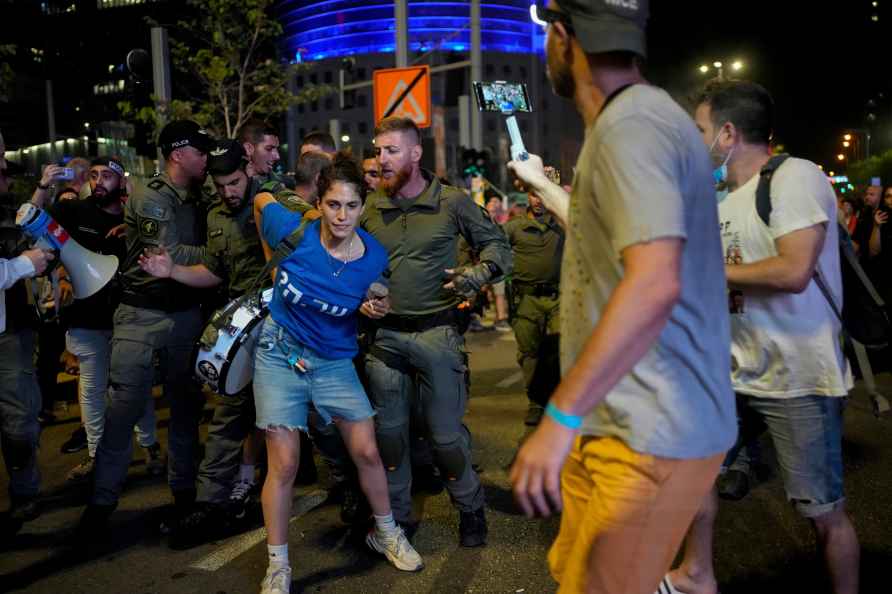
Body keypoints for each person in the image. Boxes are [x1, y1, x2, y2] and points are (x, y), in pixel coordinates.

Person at [507, 2, 736, 592]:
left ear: (563, 36)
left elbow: (655, 280)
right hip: (620, 424)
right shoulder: (637, 121)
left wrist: (559, 416)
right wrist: (540, 184)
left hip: (651, 434)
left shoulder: (630, 129)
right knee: (572, 573)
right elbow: (606, 240)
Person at [674, 79, 859, 594]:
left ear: (727, 134)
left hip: (798, 376)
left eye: (700, 131)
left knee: (822, 513)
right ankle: (696, 575)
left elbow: (793, 270)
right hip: (733, 372)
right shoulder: (722, 200)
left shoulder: (794, 177)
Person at [251, 153, 423, 593]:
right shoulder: (291, 229)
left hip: (332, 359)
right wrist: (273, 256)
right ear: (319, 203)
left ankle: (385, 532)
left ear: (362, 206)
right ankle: (278, 564)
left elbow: (377, 289)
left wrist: (377, 302)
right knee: (285, 462)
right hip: (279, 353)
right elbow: (261, 199)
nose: (341, 216)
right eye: (332, 205)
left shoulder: (372, 256)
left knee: (366, 450)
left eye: (350, 206)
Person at [139, 139, 314, 548]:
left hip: (287, 326)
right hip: (243, 331)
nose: (227, 193)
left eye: (233, 182)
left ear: (250, 170)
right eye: (219, 186)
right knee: (228, 415)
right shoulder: (217, 213)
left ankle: (355, 495)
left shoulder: (276, 200)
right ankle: (210, 504)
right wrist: (172, 271)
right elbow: (215, 272)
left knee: (319, 414)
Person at [361, 116, 512, 547]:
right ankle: (398, 521)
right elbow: (346, 261)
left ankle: (470, 508)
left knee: (445, 437)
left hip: (437, 335)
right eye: (378, 151)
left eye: (391, 151)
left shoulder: (452, 202)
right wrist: (360, 298)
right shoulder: (370, 208)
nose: (382, 159)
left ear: (414, 153)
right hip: (385, 340)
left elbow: (498, 246)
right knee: (390, 439)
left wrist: (476, 275)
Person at [76, 120, 213, 534]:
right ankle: (101, 504)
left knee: (186, 410)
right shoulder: (152, 197)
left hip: (186, 313)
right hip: (142, 314)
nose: (206, 157)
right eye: (199, 150)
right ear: (177, 154)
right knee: (124, 410)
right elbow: (165, 253)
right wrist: (221, 252)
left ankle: (184, 495)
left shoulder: (199, 193)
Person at [33, 157, 163, 483]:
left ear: (121, 182)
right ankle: (95, 455)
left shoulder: (134, 216)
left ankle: (149, 446)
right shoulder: (75, 211)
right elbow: (39, 231)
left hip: (126, 316)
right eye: (94, 175)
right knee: (91, 389)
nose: (99, 181)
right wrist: (59, 270)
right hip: (86, 317)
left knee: (135, 384)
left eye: (107, 175)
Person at [0, 129, 54, 534]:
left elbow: (21, 235)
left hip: (12, 331)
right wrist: (23, 265)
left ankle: (24, 493)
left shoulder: (3, 209)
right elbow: (19, 259)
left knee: (19, 419)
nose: (4, 176)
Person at [502, 189, 564, 427]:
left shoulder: (563, 224)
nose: (538, 199)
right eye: (533, 194)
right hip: (526, 300)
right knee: (529, 353)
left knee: (560, 349)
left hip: (559, 297)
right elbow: (491, 245)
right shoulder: (514, 227)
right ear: (527, 196)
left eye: (542, 193)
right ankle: (537, 402)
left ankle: (558, 400)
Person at [239, 120, 294, 190]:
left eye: (277, 149)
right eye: (269, 149)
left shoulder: (287, 184)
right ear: (248, 148)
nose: (277, 156)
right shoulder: (226, 184)